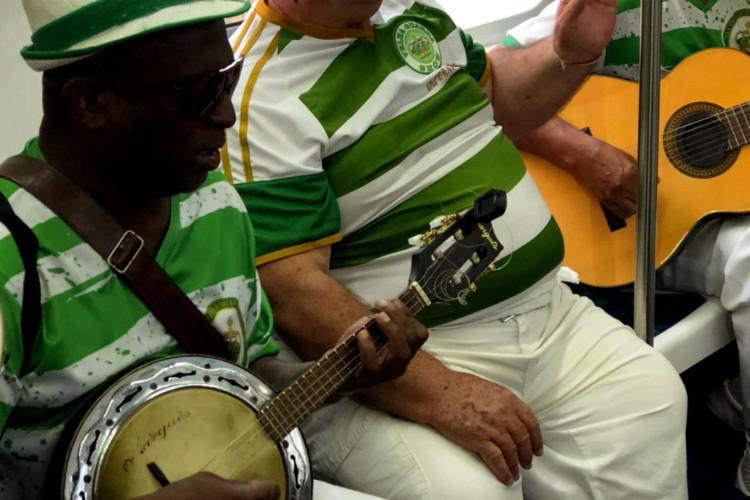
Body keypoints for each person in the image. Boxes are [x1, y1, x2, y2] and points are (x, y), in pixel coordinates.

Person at [221, 1, 689, 498]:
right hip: (404, 364)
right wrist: (441, 392)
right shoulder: (257, 93)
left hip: (548, 314)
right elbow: (292, 295)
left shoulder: (412, 14)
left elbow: (500, 100)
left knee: (650, 396)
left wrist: (566, 56)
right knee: (467, 492)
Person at [0, 1, 429, 499]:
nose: (227, 112)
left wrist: (344, 370)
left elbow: (243, 374)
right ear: (90, 101)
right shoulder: (13, 263)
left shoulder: (215, 201)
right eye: (202, 92)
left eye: (230, 78)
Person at [502, 0, 750, 494]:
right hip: (636, 226)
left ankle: (737, 401)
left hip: (723, 199)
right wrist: (582, 154)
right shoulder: (613, 7)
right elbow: (483, 92)